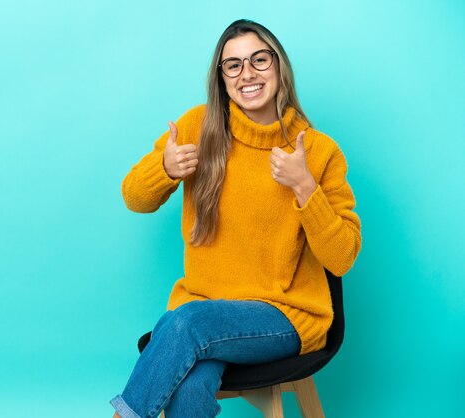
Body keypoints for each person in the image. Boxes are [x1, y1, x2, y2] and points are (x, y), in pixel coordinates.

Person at [110, 19, 361, 418]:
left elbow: (342, 258)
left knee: (184, 323)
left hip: (285, 316)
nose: (247, 73)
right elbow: (134, 198)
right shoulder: (197, 127)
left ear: (279, 67)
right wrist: (165, 168)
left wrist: (305, 189)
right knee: (189, 382)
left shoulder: (317, 151)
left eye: (259, 59)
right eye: (233, 64)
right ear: (222, 77)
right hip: (205, 310)